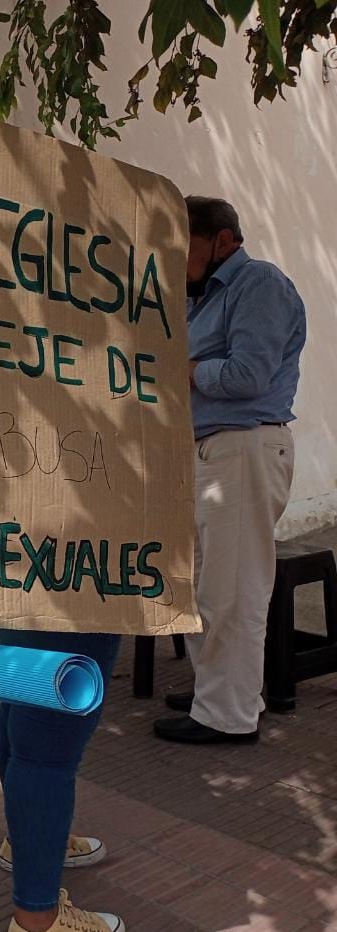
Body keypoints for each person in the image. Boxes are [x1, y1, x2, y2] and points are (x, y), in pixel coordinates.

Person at [153, 197, 306, 746]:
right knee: (205, 586)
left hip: (243, 446)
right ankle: (220, 693)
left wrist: (187, 369)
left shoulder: (258, 284)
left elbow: (248, 374)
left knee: (233, 591)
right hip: (211, 450)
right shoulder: (201, 299)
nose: (180, 259)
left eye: (187, 247)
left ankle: (227, 716)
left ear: (223, 240)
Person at [0, 630, 123, 932]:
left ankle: (30, 845)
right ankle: (37, 922)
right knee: (47, 739)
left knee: (21, 700)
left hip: (15, 588)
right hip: (71, 592)